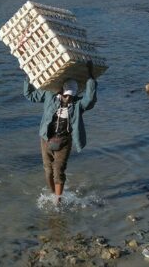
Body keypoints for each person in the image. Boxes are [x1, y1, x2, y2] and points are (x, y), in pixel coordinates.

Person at [24, 61, 97, 202]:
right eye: (67, 94)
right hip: (46, 139)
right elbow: (30, 95)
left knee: (58, 171)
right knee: (48, 172)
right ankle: (54, 194)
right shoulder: (49, 96)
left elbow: (90, 99)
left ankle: (58, 200)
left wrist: (90, 76)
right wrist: (28, 76)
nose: (68, 98)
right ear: (61, 91)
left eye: (71, 95)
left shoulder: (77, 105)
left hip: (64, 142)